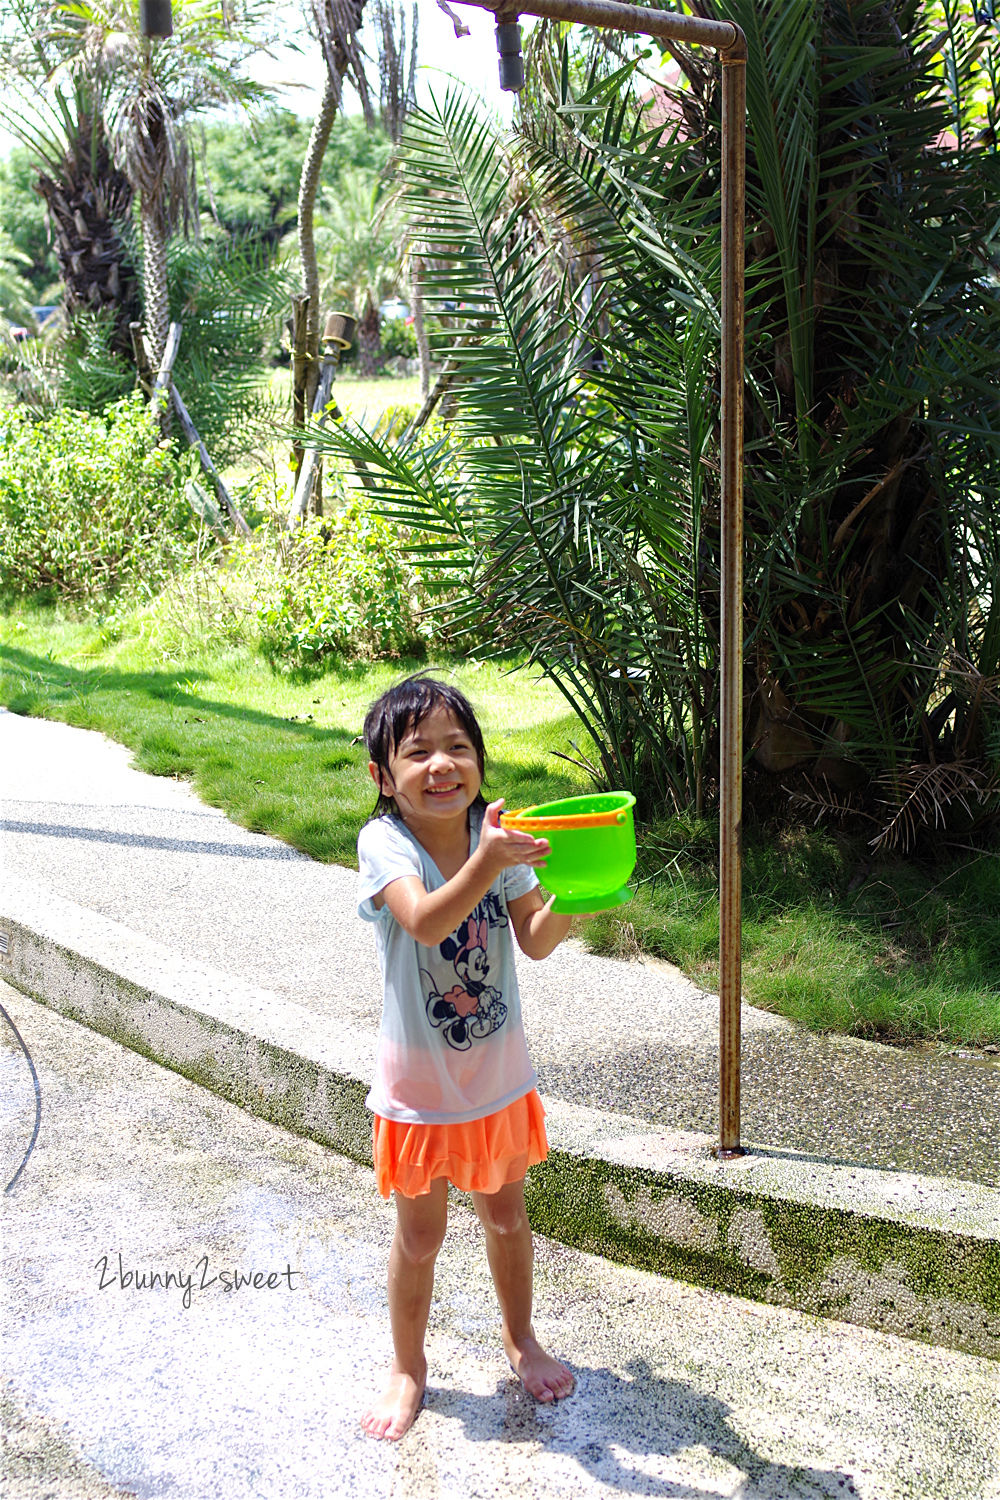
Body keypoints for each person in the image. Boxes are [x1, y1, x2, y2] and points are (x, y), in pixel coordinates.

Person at [356, 671, 577, 1441]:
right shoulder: (385, 842)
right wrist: (487, 859)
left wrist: (581, 889)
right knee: (420, 1236)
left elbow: (534, 940)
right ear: (384, 777)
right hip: (418, 1090)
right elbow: (420, 922)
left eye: (458, 747)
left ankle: (521, 1340)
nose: (441, 765)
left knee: (508, 1218)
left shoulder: (496, 836)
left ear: (480, 761)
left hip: (496, 1082)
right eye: (417, 753)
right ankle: (408, 1368)